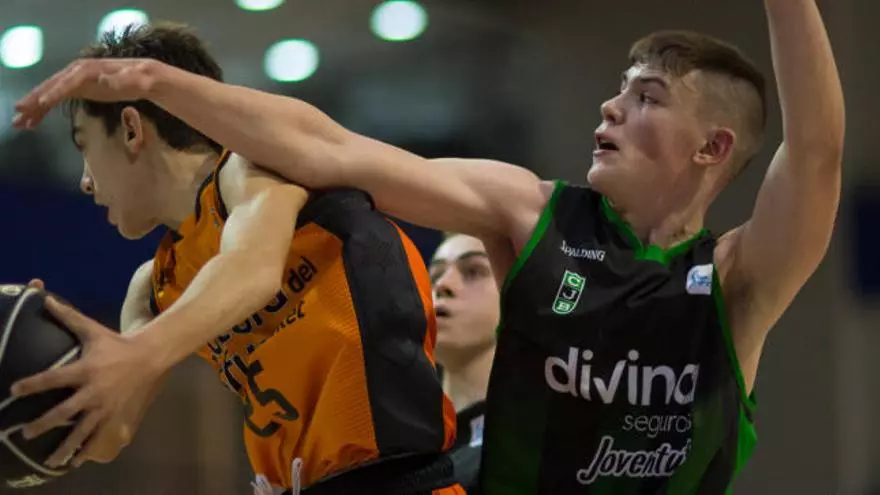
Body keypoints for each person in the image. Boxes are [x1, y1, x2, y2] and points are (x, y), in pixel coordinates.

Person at [13, 0, 844, 492]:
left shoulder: (735, 281)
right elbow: (332, 149)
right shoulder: (535, 213)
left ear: (713, 149)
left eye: (648, 98)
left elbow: (816, 152)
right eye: (618, 91)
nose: (611, 107)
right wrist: (154, 79)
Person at [9, 24, 464, 495]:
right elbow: (111, 436)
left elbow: (253, 268)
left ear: (130, 129)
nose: (84, 181)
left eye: (84, 146)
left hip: (395, 479)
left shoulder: (253, 168)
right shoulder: (153, 285)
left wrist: (138, 351)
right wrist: (44, 365)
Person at [430, 233, 499, 494]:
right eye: (434, 275)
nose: (442, 285)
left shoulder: (534, 443)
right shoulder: (393, 440)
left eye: (473, 271)